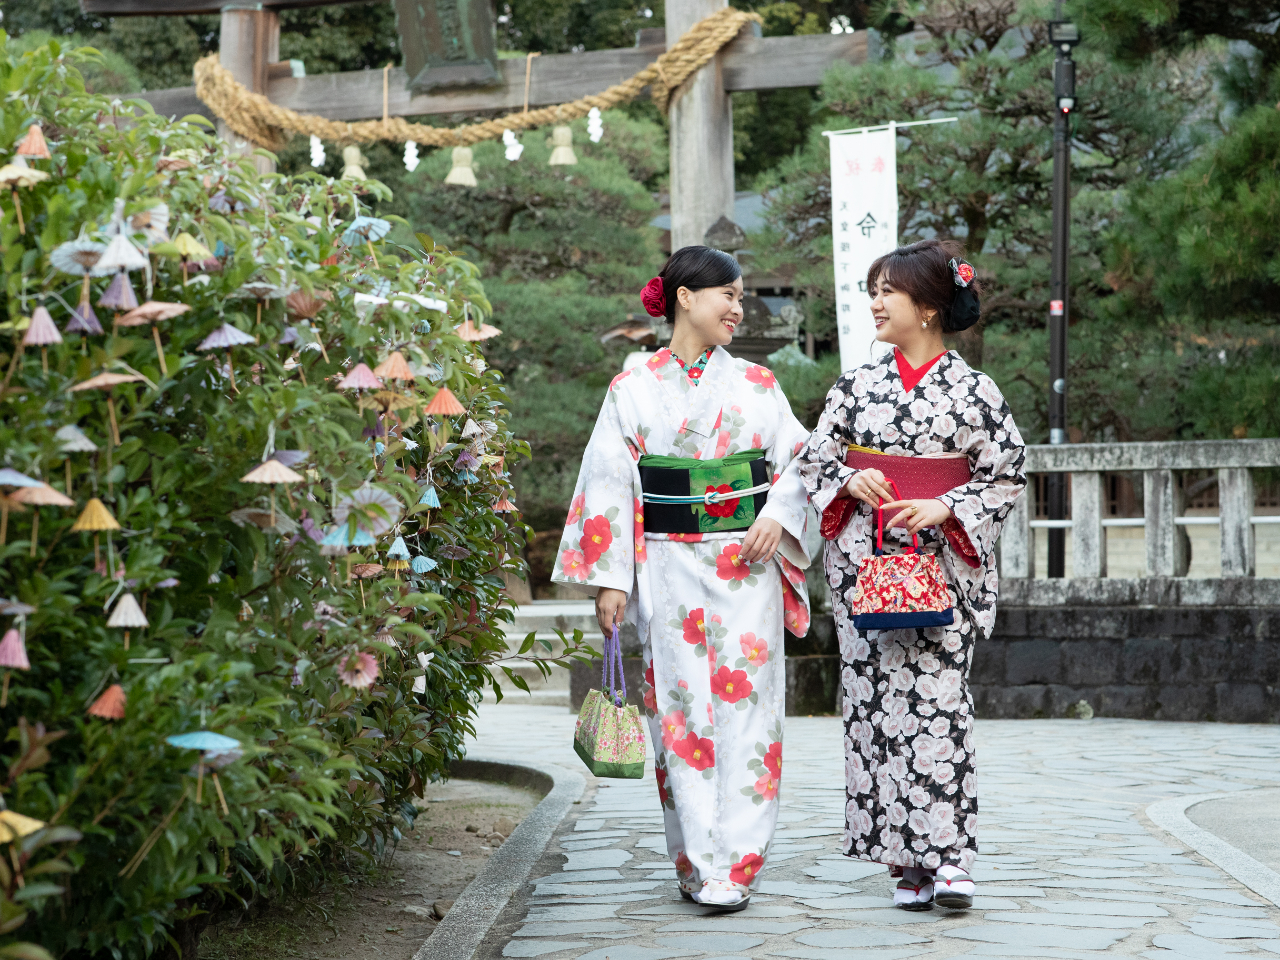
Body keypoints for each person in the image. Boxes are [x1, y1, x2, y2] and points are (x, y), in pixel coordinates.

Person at [551, 245, 814, 910]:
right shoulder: (632, 387)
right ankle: (699, 863)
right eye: (728, 294)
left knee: (750, 710)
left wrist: (778, 516)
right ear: (685, 298)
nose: (738, 307)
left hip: (746, 564)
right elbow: (609, 479)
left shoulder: (757, 383)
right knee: (681, 711)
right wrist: (612, 578)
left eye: (741, 296)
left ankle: (739, 864)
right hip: (666, 565)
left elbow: (802, 463)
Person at [794, 239, 1026, 911]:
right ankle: (905, 863)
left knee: (940, 706)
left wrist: (947, 505)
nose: (875, 303)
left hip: (942, 567)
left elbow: (1006, 472)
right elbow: (814, 460)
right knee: (874, 710)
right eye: (873, 291)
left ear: (927, 307)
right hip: (868, 569)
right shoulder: (855, 386)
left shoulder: (975, 391)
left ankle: (949, 856)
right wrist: (850, 478)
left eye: (887, 292)